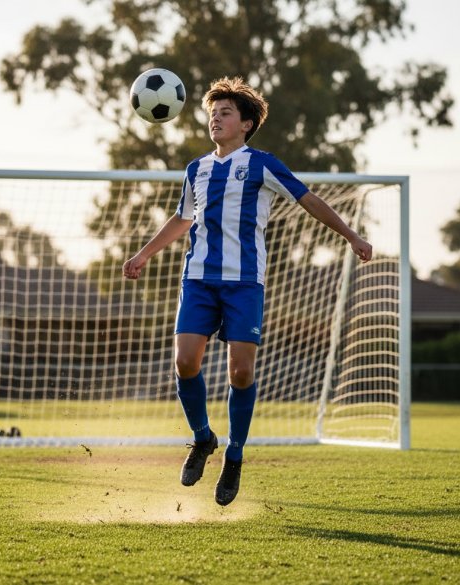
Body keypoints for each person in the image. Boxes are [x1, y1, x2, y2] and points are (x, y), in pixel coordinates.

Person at [122, 76, 372, 506]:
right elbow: (183, 219)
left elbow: (307, 200)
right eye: (211, 114)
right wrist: (144, 254)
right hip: (198, 278)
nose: (215, 120)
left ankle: (234, 454)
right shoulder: (195, 169)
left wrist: (350, 234)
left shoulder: (262, 164)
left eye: (225, 113)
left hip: (245, 283)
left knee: (241, 372)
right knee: (184, 362)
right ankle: (203, 439)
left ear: (247, 124)